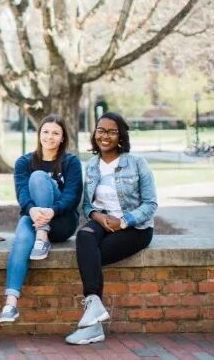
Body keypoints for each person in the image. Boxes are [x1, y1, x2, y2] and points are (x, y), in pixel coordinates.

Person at [65, 112, 157, 345]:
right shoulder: (93, 165)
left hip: (135, 228)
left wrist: (123, 221)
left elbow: (150, 204)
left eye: (112, 131)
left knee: (91, 257)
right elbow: (87, 205)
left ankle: (92, 327)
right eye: (101, 130)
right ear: (95, 134)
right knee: (84, 237)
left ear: (121, 136)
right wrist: (97, 216)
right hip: (102, 222)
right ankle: (94, 305)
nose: (105, 136)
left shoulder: (137, 163)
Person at [0, 115, 82, 323]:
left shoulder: (71, 162)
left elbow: (72, 196)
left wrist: (51, 212)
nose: (49, 136)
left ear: (62, 138)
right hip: (33, 217)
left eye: (55, 133)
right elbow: (22, 195)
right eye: (45, 132)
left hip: (63, 221)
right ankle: (11, 303)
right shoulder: (24, 162)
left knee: (38, 177)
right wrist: (32, 210)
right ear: (39, 134)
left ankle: (42, 234)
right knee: (21, 240)